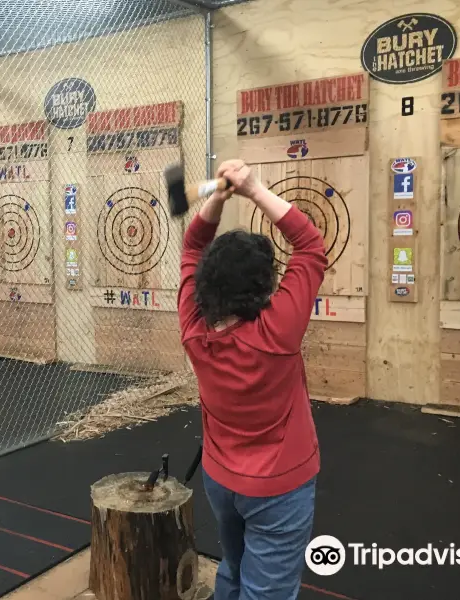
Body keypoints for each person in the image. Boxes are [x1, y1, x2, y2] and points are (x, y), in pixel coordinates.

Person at [178, 159, 328, 600]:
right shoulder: (276, 331)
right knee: (268, 591)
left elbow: (191, 248)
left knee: (234, 568)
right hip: (280, 487)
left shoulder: (193, 326)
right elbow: (311, 245)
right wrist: (255, 190)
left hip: (221, 480)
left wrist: (218, 197)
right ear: (262, 288)